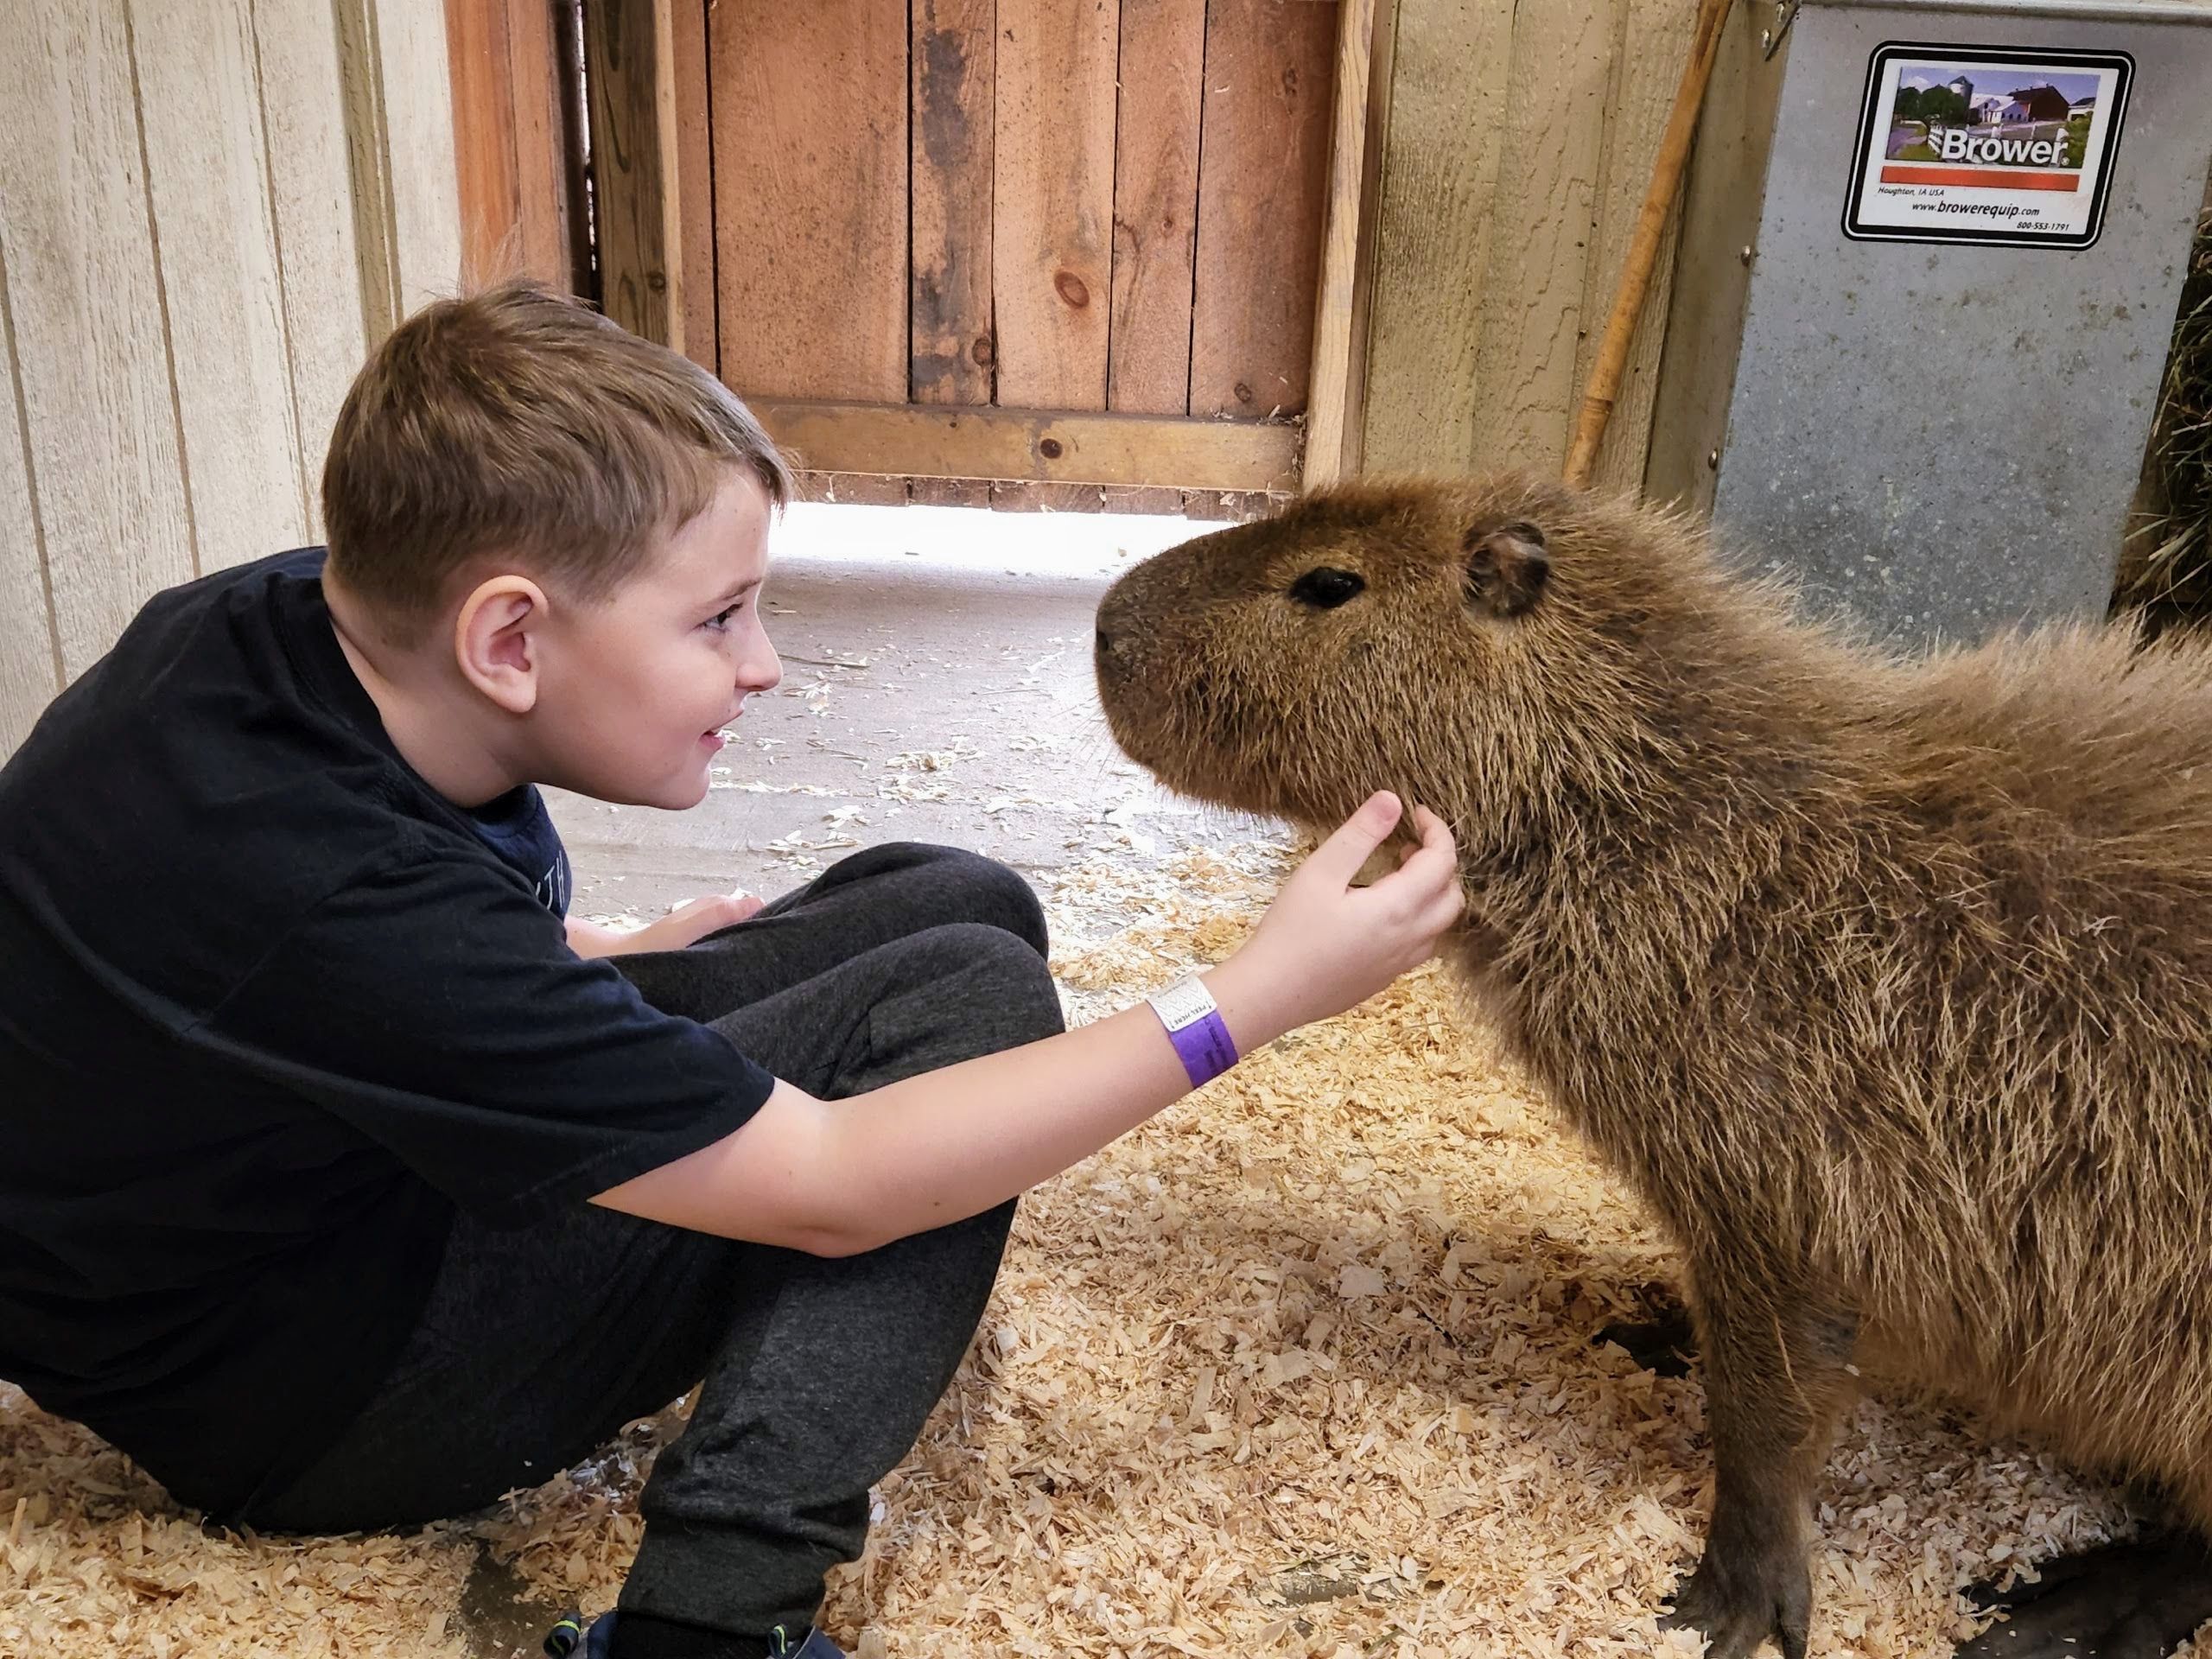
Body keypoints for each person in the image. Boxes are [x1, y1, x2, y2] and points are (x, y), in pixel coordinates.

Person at [0, 283, 1464, 1659]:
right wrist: (1252, 998)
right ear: (508, 636)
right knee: (969, 1009)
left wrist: (581, 957)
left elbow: (289, 994)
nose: (765, 666)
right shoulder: (334, 890)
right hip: (306, 1389)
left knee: (959, 900)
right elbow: (827, 1181)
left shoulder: (277, 627)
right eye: (717, 620)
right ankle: (711, 1616)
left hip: (326, 1185)